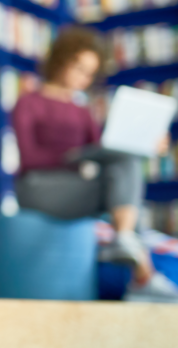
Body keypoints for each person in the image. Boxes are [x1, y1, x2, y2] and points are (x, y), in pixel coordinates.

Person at [12, 26, 178, 303]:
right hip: (37, 187)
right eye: (78, 68)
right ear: (60, 60)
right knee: (121, 187)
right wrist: (75, 156)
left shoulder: (83, 110)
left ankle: (125, 242)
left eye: (89, 73)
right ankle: (143, 276)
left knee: (125, 161)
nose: (82, 78)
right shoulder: (29, 102)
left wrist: (145, 144)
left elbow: (107, 154)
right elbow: (29, 158)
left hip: (76, 186)